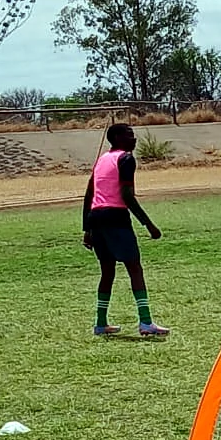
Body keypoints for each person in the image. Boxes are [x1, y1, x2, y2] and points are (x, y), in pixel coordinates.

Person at [82, 123, 169, 337]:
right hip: (115, 217)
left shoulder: (102, 159)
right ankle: (146, 322)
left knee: (108, 271)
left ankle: (101, 324)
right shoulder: (126, 159)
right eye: (130, 135)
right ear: (118, 138)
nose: (135, 139)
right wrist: (149, 225)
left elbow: (88, 194)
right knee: (134, 268)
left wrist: (87, 228)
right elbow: (127, 196)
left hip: (96, 217)